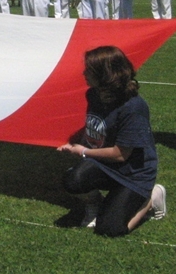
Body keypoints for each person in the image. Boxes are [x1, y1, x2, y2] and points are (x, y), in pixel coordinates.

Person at [57, 46, 166, 236]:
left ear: (104, 75)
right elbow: (95, 126)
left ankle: (150, 198)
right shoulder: (93, 94)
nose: (84, 73)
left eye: (89, 70)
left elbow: (120, 154)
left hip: (133, 174)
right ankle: (96, 202)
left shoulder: (133, 107)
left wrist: (82, 152)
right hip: (105, 166)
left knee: (110, 229)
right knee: (73, 179)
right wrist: (77, 143)